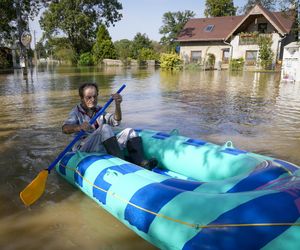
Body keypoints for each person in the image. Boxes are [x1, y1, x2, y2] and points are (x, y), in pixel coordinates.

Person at [62, 82, 157, 169]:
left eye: (95, 96)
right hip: (84, 146)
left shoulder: (99, 109)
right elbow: (65, 129)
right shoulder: (76, 112)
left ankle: (141, 162)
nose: (93, 100)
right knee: (105, 128)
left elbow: (116, 120)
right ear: (82, 98)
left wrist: (117, 104)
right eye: (88, 97)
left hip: (100, 144)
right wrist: (78, 127)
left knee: (129, 131)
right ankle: (122, 163)